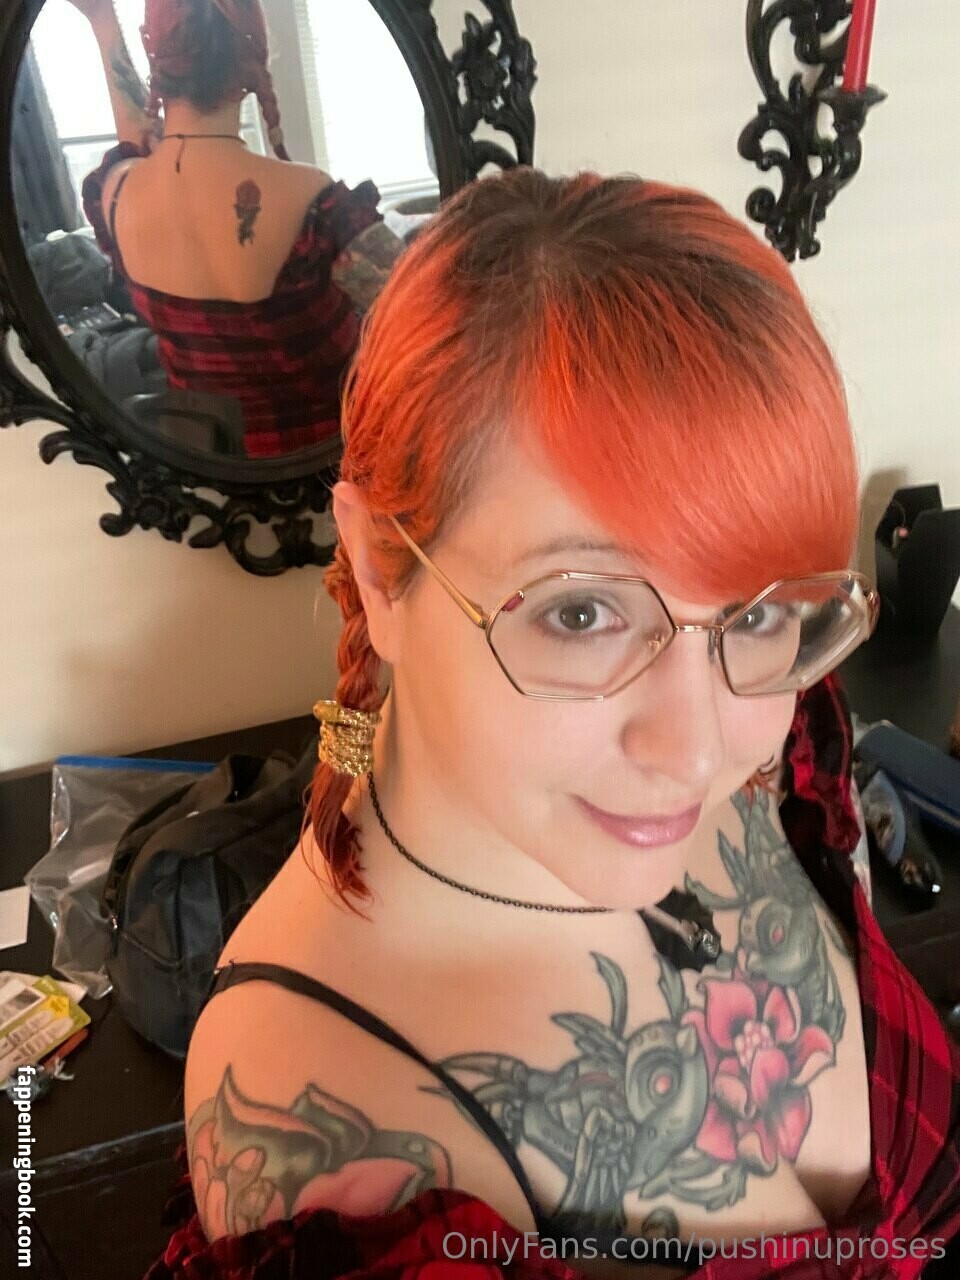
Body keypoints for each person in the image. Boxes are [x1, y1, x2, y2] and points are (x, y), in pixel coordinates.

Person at [151, 170, 960, 1279]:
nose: (699, 750)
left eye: (760, 607)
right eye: (582, 611)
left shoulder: (777, 710)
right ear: (382, 569)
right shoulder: (332, 1135)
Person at [67, 0, 404, 458]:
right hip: (331, 466)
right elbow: (427, 308)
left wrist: (101, 20)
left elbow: (137, 138)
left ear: (155, 55)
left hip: (212, 469)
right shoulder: (311, 199)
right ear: (253, 61)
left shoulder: (117, 192)